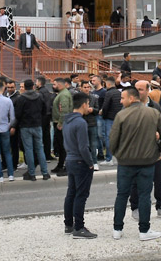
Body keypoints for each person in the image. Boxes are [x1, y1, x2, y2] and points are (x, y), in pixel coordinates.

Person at [110, 86, 161, 242]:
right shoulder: (153, 113)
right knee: (144, 196)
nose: (121, 101)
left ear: (131, 98)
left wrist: (118, 154)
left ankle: (117, 229)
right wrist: (159, 151)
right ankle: (144, 230)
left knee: (122, 195)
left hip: (125, 163)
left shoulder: (121, 115)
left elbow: (112, 141)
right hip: (147, 161)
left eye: (122, 98)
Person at [63, 91, 97, 239]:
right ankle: (79, 227)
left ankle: (69, 224)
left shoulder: (67, 120)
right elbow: (84, 147)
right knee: (81, 195)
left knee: (71, 193)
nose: (88, 106)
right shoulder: (81, 122)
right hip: (80, 161)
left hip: (70, 159)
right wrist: (90, 163)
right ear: (84, 104)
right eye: (88, 104)